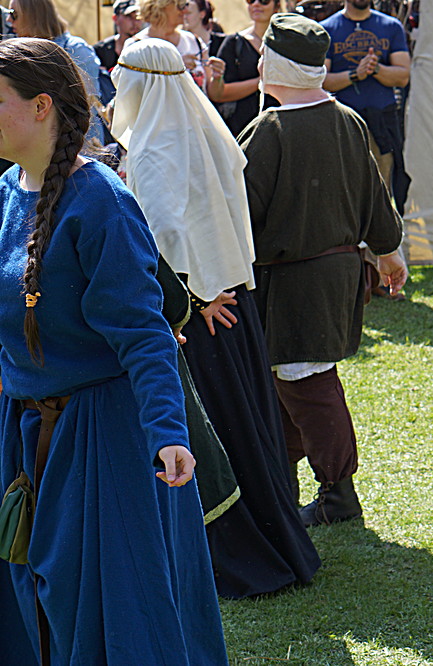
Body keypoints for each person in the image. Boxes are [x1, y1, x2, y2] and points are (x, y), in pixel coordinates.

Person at [0, 37, 228, 663]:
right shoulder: (7, 191)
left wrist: (168, 432)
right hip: (23, 432)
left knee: (112, 612)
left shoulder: (100, 202)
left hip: (104, 442)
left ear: (41, 106)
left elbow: (145, 334)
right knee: (32, 605)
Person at [112, 37, 321, 598]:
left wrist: (191, 299)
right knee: (246, 426)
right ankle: (275, 539)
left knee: (219, 435)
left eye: (122, 73)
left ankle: (241, 554)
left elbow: (164, 236)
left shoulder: (152, 146)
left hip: (202, 314)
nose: (116, 84)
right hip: (231, 302)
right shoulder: (204, 131)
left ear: (140, 82)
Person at [240, 13, 406, 526]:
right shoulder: (348, 120)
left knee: (308, 385)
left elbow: (237, 217)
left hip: (297, 285)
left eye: (265, 57)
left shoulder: (270, 130)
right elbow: (377, 201)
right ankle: (283, 483)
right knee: (287, 382)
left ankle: (339, 496)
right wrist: (388, 251)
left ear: (278, 66)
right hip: (332, 279)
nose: (260, 64)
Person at [320, 0, 410, 211]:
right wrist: (355, 75)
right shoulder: (327, 29)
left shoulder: (391, 26)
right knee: (344, 189)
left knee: (381, 191)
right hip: (342, 124)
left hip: (382, 123)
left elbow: (403, 76)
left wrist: (376, 69)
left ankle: (380, 232)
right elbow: (321, 80)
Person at [7, 0, 104, 146]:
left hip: (75, 147)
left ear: (34, 16)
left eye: (14, 14)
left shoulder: (76, 50)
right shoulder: (20, 54)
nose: (8, 20)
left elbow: (86, 107)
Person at [208, 0, 280, 137]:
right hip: (243, 130)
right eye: (250, 0)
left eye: (264, 1)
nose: (256, 4)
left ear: (277, 6)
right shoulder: (234, 42)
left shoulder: (287, 43)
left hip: (280, 127)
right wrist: (261, 81)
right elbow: (218, 94)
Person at [131, 0, 221, 95]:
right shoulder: (136, 45)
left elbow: (213, 94)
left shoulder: (193, 40)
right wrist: (174, 65)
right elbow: (134, 92)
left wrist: (217, 77)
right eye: (179, 6)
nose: (185, 10)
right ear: (160, 7)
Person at [92, 0, 145, 71]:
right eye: (129, 16)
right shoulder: (101, 51)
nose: (135, 21)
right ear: (115, 18)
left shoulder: (147, 50)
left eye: (138, 16)